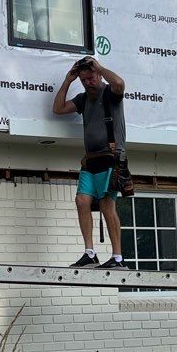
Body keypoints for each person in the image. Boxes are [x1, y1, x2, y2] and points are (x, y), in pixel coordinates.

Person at [51, 56, 130, 268]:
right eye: (84, 79)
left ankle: (117, 258)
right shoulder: (83, 98)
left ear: (98, 74)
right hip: (90, 160)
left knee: (106, 203)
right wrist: (68, 80)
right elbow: (58, 109)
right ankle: (89, 252)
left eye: (91, 77)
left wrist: (101, 68)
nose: (88, 82)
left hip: (110, 157)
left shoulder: (110, 93)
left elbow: (120, 83)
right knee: (82, 201)